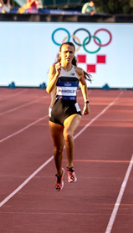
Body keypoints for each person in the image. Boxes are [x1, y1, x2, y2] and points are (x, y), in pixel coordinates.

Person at [47, 41, 89, 189]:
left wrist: (86, 101)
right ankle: (59, 174)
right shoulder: (54, 68)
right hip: (56, 111)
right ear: (60, 54)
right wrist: (57, 74)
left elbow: (83, 84)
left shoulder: (78, 71)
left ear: (74, 54)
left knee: (68, 135)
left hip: (72, 109)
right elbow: (48, 89)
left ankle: (70, 167)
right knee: (58, 149)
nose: (68, 55)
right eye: (65, 52)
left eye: (71, 52)